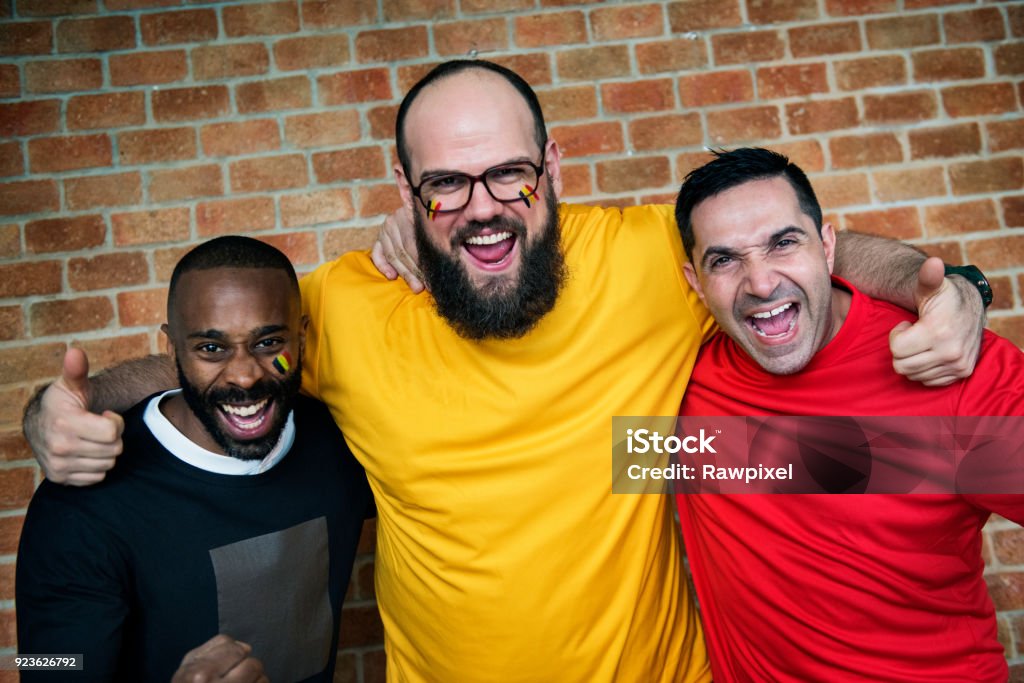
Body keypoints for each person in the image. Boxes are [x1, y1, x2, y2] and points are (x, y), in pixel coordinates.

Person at [24, 61, 987, 681]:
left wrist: (948, 287)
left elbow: (804, 246)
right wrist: (63, 405)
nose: (483, 208)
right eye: (446, 183)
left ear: (553, 169)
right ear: (407, 190)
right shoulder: (353, 303)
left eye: (508, 175)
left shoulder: (658, 258)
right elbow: (226, 355)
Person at [673, 147, 1024, 681]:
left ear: (828, 246)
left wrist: (964, 289)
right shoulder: (678, 381)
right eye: (724, 260)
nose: (762, 284)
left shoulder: (950, 365)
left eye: (784, 243)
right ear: (694, 282)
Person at [16, 237, 372, 682]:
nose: (244, 375)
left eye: (268, 343)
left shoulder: (345, 441)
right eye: (210, 348)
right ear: (173, 349)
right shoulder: (80, 506)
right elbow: (40, 664)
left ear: (300, 338)